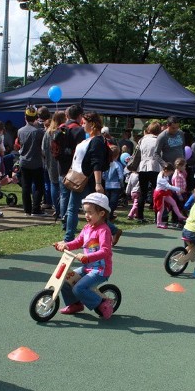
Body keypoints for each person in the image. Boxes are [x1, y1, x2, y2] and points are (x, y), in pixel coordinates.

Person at [53, 192, 114, 320]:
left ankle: (103, 303)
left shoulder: (103, 230)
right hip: (88, 267)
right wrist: (66, 245)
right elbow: (79, 241)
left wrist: (88, 258)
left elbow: (106, 251)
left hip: (100, 270)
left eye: (90, 212)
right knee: (65, 279)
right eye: (85, 212)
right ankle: (75, 304)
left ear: (101, 213)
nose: (86, 215)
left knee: (78, 288)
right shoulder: (87, 228)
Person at [63, 112, 107, 242]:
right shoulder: (91, 139)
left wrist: (98, 183)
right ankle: (113, 231)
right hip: (81, 178)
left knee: (73, 208)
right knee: (94, 210)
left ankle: (68, 239)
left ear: (92, 124)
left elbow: (96, 163)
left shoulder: (97, 141)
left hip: (86, 180)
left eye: (84, 123)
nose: (82, 126)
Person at [16, 105, 46, 216]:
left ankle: (27, 209)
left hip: (24, 161)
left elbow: (20, 143)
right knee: (38, 186)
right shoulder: (39, 132)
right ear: (36, 117)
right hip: (36, 162)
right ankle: (36, 209)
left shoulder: (20, 131)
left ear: (25, 117)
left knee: (26, 186)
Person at [132, 120, 162, 223]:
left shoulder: (142, 140)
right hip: (155, 167)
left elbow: (137, 153)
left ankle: (140, 215)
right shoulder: (158, 140)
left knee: (143, 192)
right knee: (156, 192)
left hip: (143, 166)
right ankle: (156, 216)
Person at [42, 110, 65, 219]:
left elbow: (43, 148)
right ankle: (62, 209)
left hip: (50, 162)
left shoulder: (48, 132)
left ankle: (57, 208)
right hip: (62, 162)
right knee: (62, 187)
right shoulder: (63, 131)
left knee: (54, 185)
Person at [154, 161, 186, 229]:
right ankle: (159, 223)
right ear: (166, 170)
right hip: (160, 194)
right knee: (161, 209)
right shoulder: (161, 178)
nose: (170, 174)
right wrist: (179, 189)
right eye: (170, 172)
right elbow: (169, 186)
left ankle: (179, 215)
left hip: (165, 192)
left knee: (173, 203)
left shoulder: (164, 174)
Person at [104, 144, 125, 218]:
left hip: (106, 185)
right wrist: (122, 185)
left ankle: (107, 214)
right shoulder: (118, 165)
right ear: (118, 155)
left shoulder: (106, 163)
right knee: (113, 202)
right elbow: (121, 176)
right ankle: (110, 213)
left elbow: (103, 175)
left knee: (107, 201)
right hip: (115, 185)